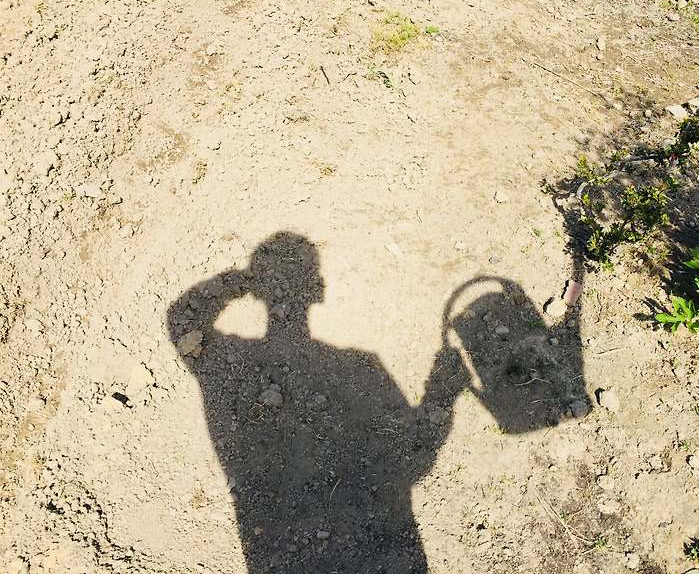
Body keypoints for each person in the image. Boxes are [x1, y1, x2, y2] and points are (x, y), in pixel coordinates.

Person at [168, 232, 586, 573]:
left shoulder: (240, 357)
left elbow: (179, 322)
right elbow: (415, 460)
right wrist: (443, 391)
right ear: (320, 291)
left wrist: (242, 281)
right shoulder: (361, 365)